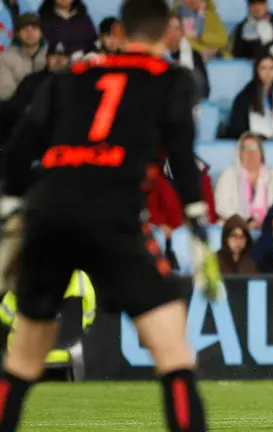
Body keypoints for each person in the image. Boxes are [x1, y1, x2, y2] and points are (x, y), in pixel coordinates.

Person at [0, 0, 221, 430]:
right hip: (113, 213)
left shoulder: (72, 75)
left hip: (48, 211)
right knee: (173, 352)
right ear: (169, 34)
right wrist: (196, 222)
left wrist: (11, 206)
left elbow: (21, 141)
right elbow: (180, 151)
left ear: (117, 32)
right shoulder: (172, 79)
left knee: (25, 355)